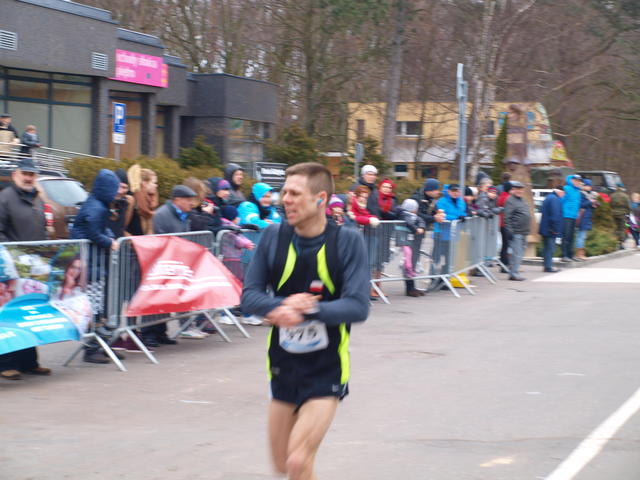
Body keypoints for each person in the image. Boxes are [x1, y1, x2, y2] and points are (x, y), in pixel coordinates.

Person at [241, 162, 370, 480]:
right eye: (284, 192)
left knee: (298, 460)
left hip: (326, 368)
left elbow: (358, 306)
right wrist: (281, 306)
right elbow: (249, 297)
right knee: (284, 463)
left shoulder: (347, 241)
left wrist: (307, 310)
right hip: (283, 365)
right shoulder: (273, 236)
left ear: (320, 199)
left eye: (295, 193)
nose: (285, 199)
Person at [0, 158, 51, 380]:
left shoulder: (36, 198)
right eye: (25, 173)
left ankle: (29, 362)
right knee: (9, 316)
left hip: (32, 268)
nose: (29, 177)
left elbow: (41, 229)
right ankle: (5, 363)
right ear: (15, 175)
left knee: (28, 314)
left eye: (32, 174)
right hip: (10, 268)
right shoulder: (5, 198)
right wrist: (13, 256)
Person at [71, 169, 128, 363]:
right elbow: (93, 233)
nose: (117, 193)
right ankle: (92, 349)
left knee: (99, 307)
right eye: (114, 189)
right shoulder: (97, 207)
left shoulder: (98, 204)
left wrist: (109, 237)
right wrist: (109, 242)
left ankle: (102, 345)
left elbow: (100, 229)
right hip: (89, 263)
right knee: (94, 308)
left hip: (94, 262)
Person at [218, 205, 255, 280]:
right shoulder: (228, 227)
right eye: (237, 216)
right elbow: (236, 239)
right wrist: (247, 244)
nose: (238, 218)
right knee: (236, 277)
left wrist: (248, 242)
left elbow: (241, 236)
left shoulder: (231, 226)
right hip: (230, 257)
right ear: (233, 217)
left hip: (232, 256)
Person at [398, 198, 426, 297]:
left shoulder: (414, 216)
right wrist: (416, 229)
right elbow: (409, 223)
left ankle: (411, 286)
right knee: (408, 258)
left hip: (411, 238)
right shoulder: (404, 215)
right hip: (405, 239)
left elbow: (420, 220)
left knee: (412, 259)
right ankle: (409, 286)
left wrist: (421, 227)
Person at [503, 181, 531, 281]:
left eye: (521, 189)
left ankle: (514, 272)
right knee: (517, 254)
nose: (519, 191)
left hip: (524, 231)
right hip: (516, 232)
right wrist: (510, 231)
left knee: (520, 253)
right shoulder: (510, 201)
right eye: (517, 189)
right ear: (513, 190)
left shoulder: (523, 200)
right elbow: (507, 218)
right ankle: (514, 274)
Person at [539, 186, 565, 272]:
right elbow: (555, 216)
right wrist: (555, 229)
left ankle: (546, 266)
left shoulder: (549, 197)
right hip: (550, 229)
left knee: (546, 248)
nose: (563, 195)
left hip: (545, 228)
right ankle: (548, 267)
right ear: (560, 192)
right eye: (563, 193)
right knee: (550, 248)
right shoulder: (555, 199)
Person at [560, 174, 583, 262]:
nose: (577, 182)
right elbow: (561, 201)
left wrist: (577, 213)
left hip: (574, 216)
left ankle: (571, 255)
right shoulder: (566, 188)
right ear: (572, 180)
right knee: (566, 236)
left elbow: (578, 204)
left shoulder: (578, 191)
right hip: (566, 215)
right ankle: (564, 255)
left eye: (579, 181)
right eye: (576, 180)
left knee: (571, 237)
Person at [575, 179, 598, 260]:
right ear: (584, 186)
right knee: (580, 236)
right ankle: (579, 254)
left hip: (587, 218)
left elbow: (589, 206)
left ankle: (581, 253)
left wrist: (594, 205)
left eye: (590, 186)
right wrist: (590, 202)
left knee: (583, 236)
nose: (589, 187)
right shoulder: (581, 194)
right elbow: (581, 205)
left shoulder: (590, 194)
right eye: (587, 185)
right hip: (582, 218)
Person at [132, 168, 159, 235]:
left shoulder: (150, 201)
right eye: (154, 183)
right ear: (144, 183)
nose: (156, 185)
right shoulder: (133, 202)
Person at [610, 182, 631, 249]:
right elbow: (628, 207)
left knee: (616, 228)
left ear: (616, 187)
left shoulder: (612, 195)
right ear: (622, 188)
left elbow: (610, 205)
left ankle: (615, 242)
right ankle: (621, 243)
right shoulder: (625, 196)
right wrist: (628, 215)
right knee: (622, 229)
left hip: (614, 214)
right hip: (623, 214)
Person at [497, 181, 512, 272]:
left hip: (501, 223)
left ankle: (504, 264)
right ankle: (504, 265)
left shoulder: (501, 196)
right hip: (506, 223)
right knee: (506, 245)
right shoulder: (507, 198)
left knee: (505, 245)